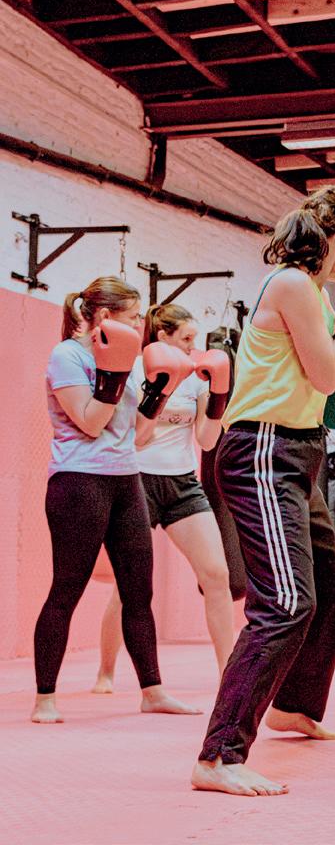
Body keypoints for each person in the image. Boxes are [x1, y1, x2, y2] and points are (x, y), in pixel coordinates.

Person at [191, 186, 335, 797]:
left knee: (331, 587)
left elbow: (324, 353)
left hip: (299, 450)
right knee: (285, 602)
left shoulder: (312, 295)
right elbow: (325, 373)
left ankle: (293, 705)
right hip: (263, 451)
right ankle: (218, 755)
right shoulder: (294, 284)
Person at [33, 276, 201, 724]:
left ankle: (153, 691)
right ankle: (45, 698)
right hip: (78, 481)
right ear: (105, 317)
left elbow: (139, 436)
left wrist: (159, 392)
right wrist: (113, 373)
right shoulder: (67, 356)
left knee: (139, 592)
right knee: (66, 589)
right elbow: (90, 423)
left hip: (126, 480)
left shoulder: (127, 359)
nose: (140, 326)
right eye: (133, 317)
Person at [91, 303, 235, 693]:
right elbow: (136, 438)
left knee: (217, 576)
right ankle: (106, 672)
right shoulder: (135, 369)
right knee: (128, 585)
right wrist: (161, 390)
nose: (193, 346)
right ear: (162, 337)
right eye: (186, 338)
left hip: (183, 484)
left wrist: (218, 396)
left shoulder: (198, 378)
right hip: (136, 480)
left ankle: (230, 674)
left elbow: (207, 441)